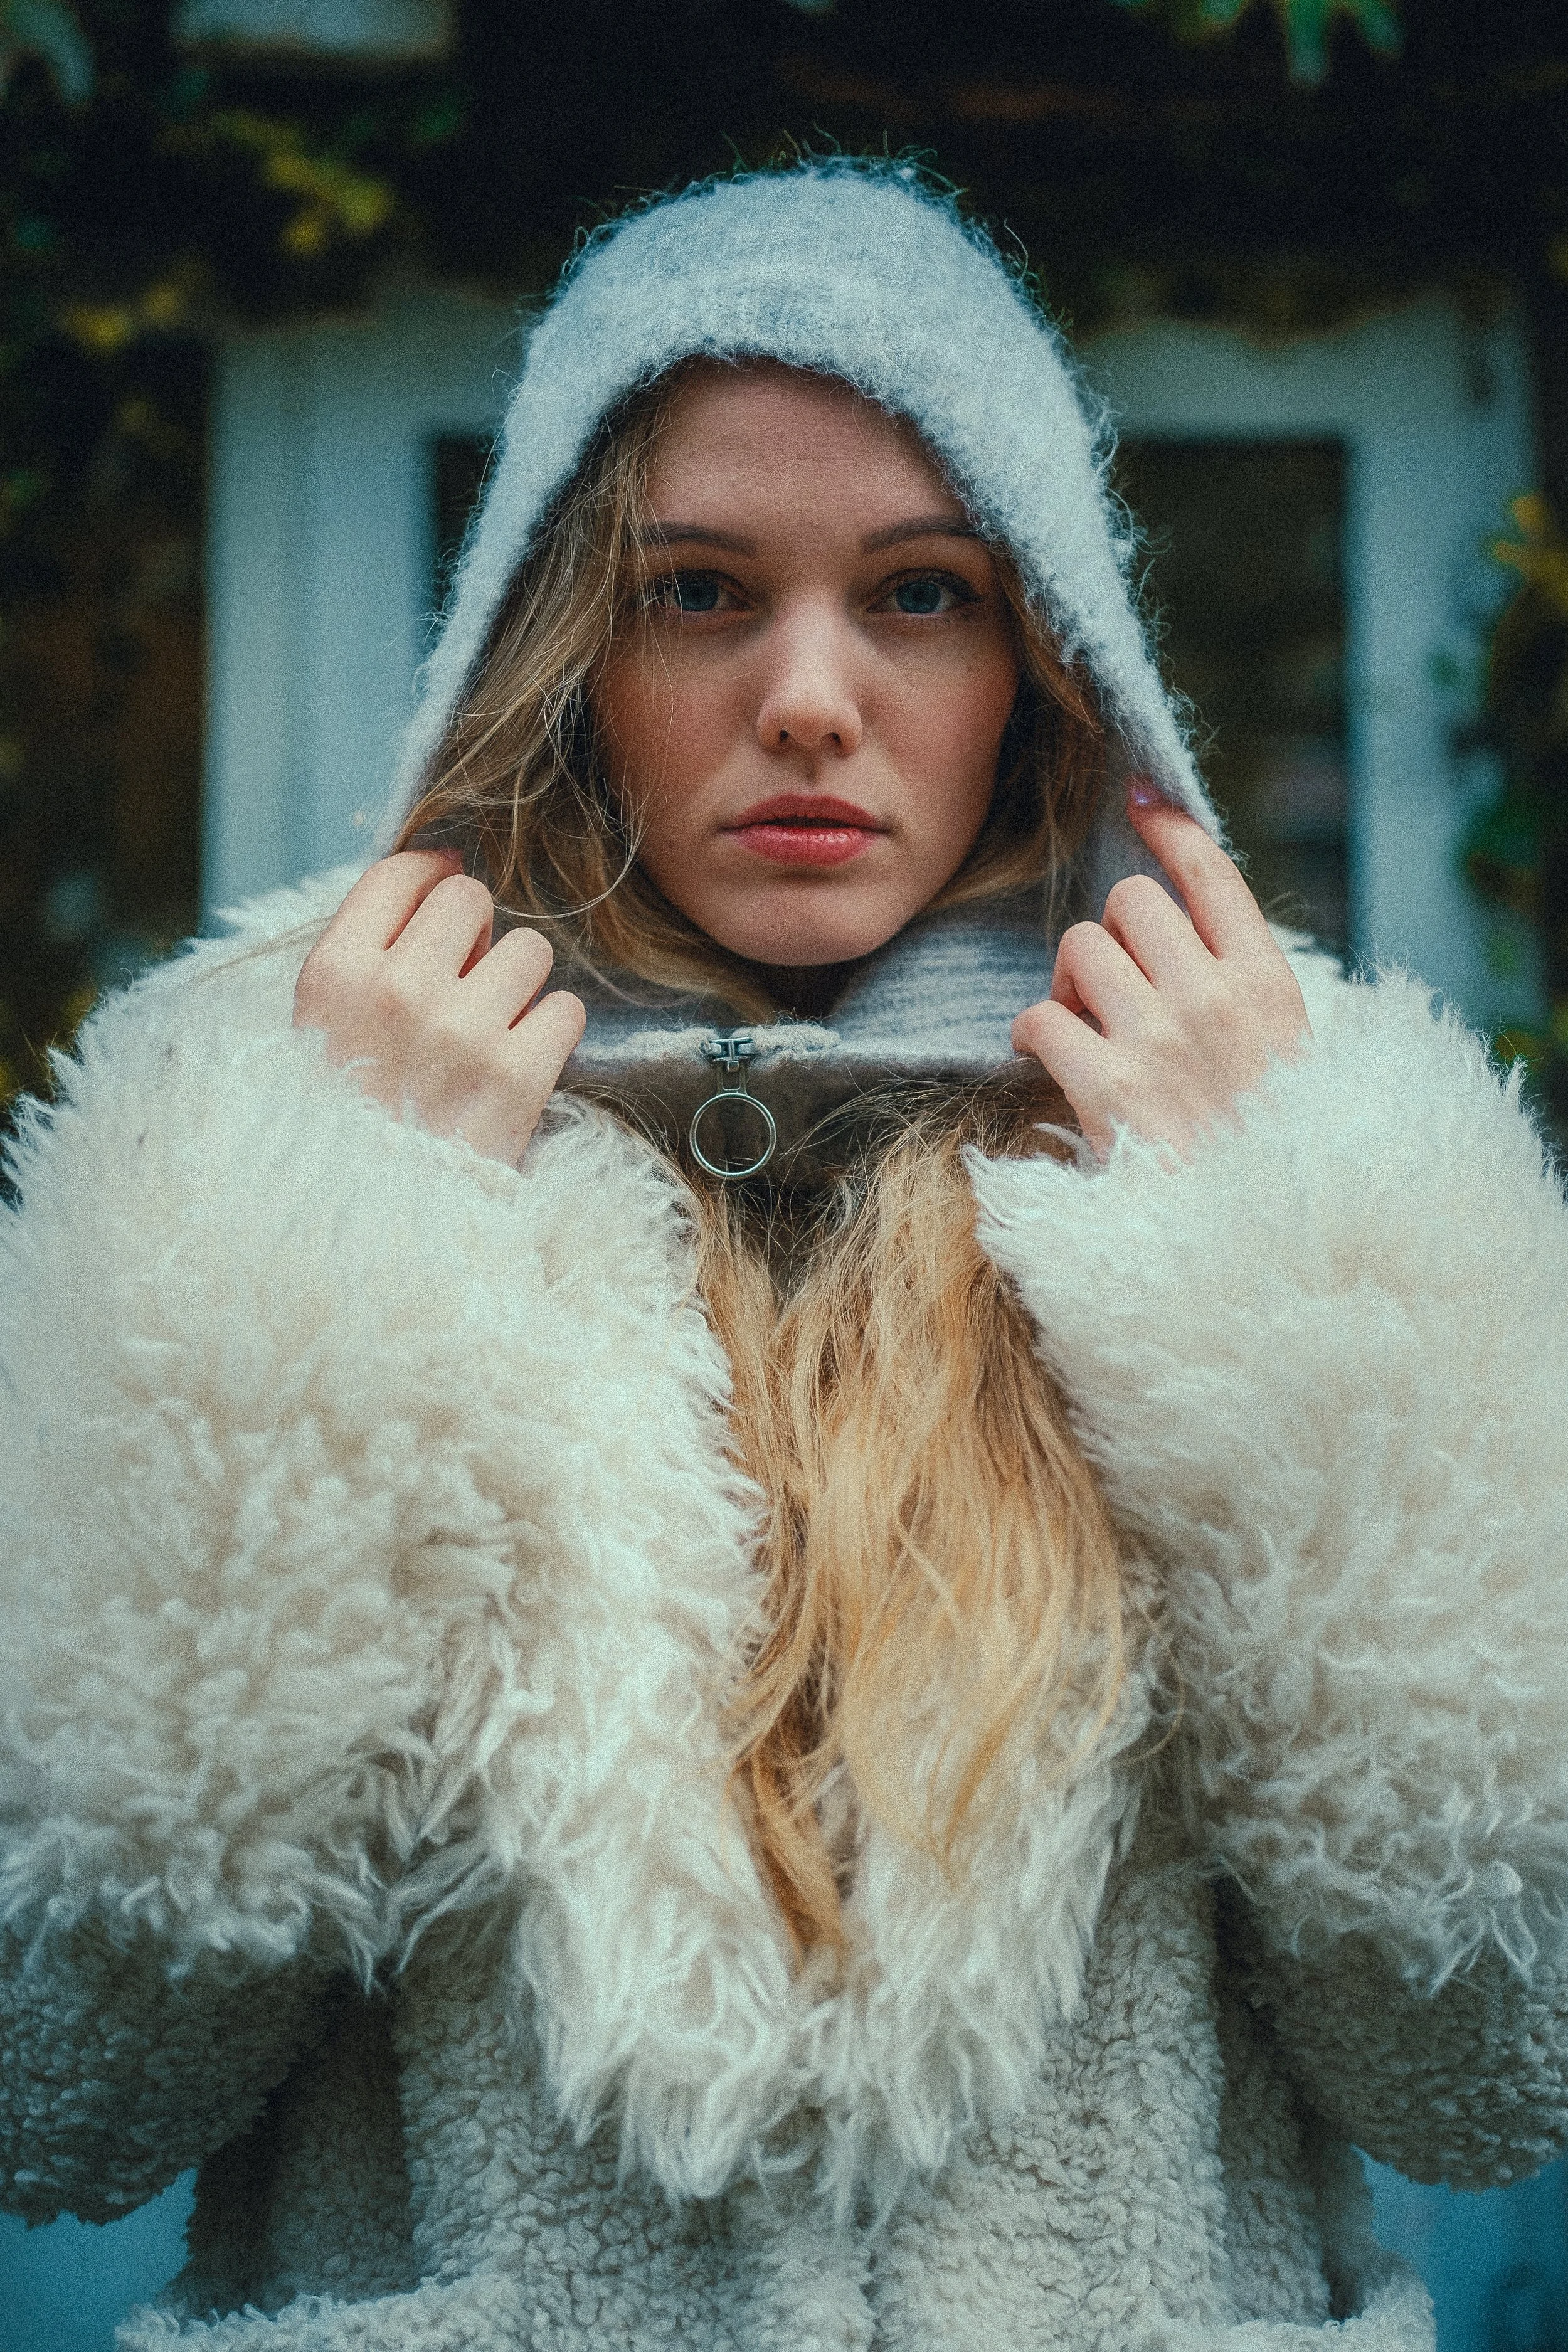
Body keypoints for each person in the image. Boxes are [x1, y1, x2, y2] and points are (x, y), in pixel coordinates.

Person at [3, 159, 1566, 2352]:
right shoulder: (258, 1124)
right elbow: (74, 2074)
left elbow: (1484, 2066)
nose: (812, 697)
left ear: (1043, 653)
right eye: (699, 593)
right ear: (559, 653)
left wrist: (1276, 1254)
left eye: (916, 595)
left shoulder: (1292, 1139)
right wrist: (336, 1250)